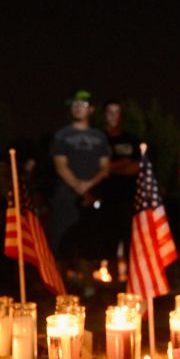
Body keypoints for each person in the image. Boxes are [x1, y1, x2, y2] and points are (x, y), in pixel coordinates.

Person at [48, 90, 110, 284]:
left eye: (82, 105)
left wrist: (88, 186)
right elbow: (60, 165)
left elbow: (105, 168)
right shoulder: (62, 135)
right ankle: (57, 286)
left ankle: (89, 288)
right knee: (61, 241)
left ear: (91, 109)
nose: (78, 108)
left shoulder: (99, 137)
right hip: (66, 196)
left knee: (90, 243)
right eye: (74, 104)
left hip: (91, 198)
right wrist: (77, 186)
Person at [100, 100, 141, 277]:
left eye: (117, 112)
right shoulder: (98, 140)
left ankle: (131, 282)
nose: (113, 116)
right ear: (104, 115)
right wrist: (122, 164)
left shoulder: (132, 140)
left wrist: (111, 167)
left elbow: (138, 166)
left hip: (129, 199)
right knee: (107, 242)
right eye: (110, 112)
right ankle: (111, 283)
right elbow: (97, 167)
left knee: (130, 242)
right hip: (105, 199)